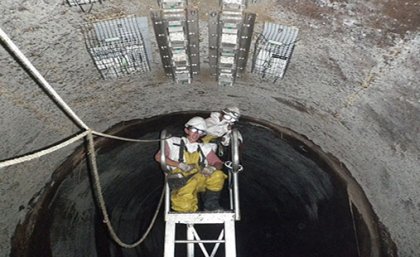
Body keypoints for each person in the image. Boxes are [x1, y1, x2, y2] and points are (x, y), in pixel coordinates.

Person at [155, 116, 227, 212]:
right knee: (185, 207)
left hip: (199, 177)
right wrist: (179, 165)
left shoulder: (204, 147)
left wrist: (212, 168)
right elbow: (159, 157)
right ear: (186, 130)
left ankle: (211, 206)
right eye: (194, 129)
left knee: (218, 175)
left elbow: (218, 162)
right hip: (181, 179)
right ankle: (187, 214)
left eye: (200, 131)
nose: (197, 134)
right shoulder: (173, 142)